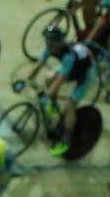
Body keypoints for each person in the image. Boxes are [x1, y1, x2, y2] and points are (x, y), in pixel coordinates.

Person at [26, 26, 100, 157]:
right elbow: (38, 65)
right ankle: (54, 106)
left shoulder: (68, 56)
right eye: (47, 43)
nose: (48, 46)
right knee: (49, 79)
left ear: (59, 44)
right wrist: (26, 80)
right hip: (73, 68)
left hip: (86, 75)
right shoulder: (50, 48)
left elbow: (60, 80)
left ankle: (66, 140)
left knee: (69, 106)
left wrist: (46, 96)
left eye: (51, 44)